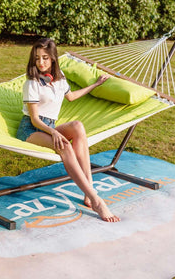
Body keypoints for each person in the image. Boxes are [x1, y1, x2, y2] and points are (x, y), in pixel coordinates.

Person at [16, 38, 120, 222]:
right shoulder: (32, 83)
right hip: (31, 129)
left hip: (50, 127)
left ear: (53, 58)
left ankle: (89, 190)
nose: (41, 62)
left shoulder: (60, 78)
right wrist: (54, 132)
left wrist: (95, 85)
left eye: (45, 58)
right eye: (37, 58)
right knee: (65, 146)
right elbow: (34, 119)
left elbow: (71, 97)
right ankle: (96, 201)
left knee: (78, 126)